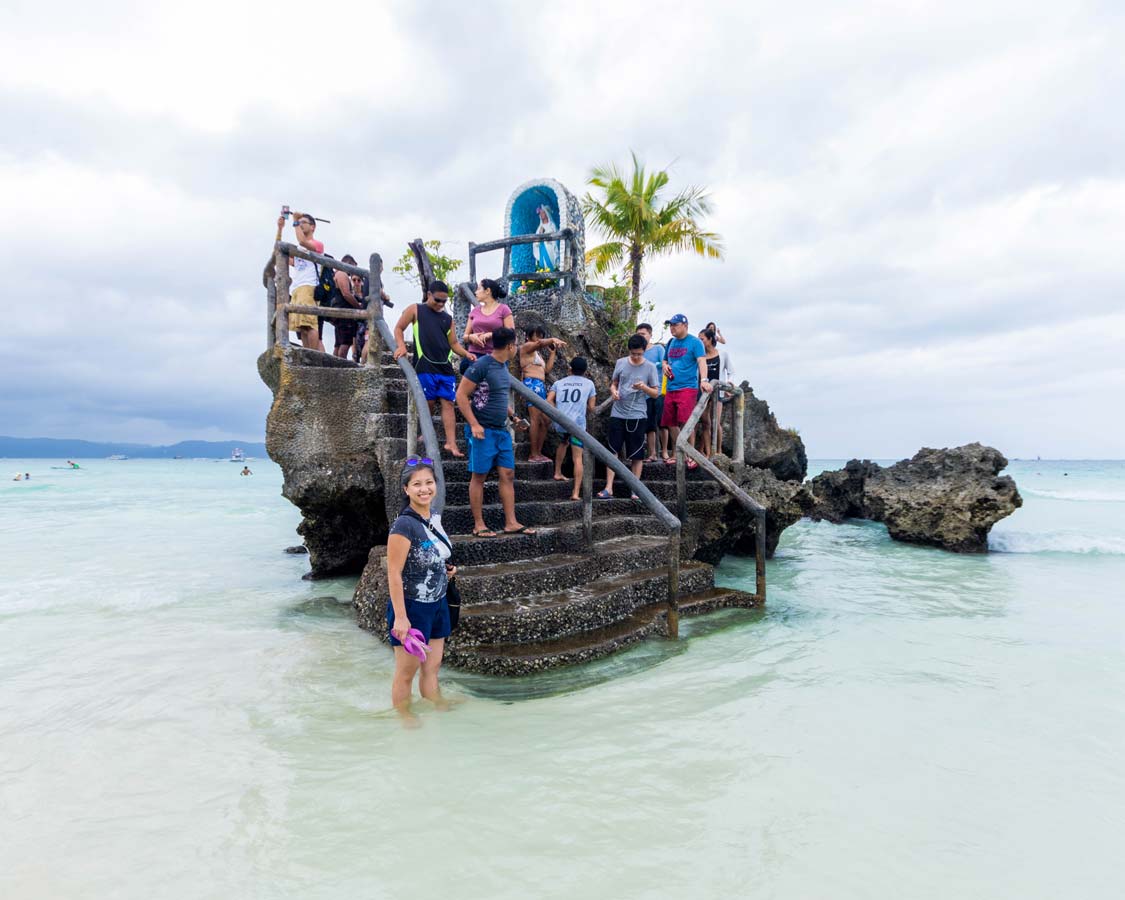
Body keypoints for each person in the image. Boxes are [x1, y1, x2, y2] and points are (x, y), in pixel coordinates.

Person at [386, 458, 456, 715]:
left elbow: (436, 552)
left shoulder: (433, 517)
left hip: (438, 604)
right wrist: (401, 618)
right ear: (406, 489)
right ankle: (403, 715)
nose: (424, 489)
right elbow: (393, 573)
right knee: (406, 672)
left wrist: (447, 569)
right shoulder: (404, 525)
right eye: (417, 484)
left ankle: (434, 701)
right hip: (412, 608)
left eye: (429, 482)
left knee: (433, 666)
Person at [456, 327, 536, 538]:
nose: (516, 348)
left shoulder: (503, 367)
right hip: (483, 431)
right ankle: (479, 525)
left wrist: (514, 417)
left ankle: (510, 522)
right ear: (510, 346)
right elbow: (461, 396)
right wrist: (474, 424)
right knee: (479, 476)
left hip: (502, 431)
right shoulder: (481, 365)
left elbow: (498, 396)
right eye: (516, 344)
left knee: (508, 474)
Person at [393, 281, 471, 458]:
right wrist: (401, 346)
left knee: (448, 403)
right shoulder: (416, 309)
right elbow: (398, 328)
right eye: (437, 300)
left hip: (445, 367)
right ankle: (426, 432)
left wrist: (466, 354)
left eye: (444, 301)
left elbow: (453, 343)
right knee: (427, 402)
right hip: (425, 365)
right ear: (429, 294)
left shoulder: (447, 319)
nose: (441, 304)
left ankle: (451, 443)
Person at [599, 335, 660, 499]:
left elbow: (656, 393)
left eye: (639, 354)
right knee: (612, 450)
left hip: (638, 414)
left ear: (644, 351)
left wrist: (644, 387)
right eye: (633, 354)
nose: (635, 357)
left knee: (637, 454)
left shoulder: (650, 367)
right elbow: (614, 383)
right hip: (618, 412)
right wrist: (613, 391)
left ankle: (635, 489)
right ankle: (608, 487)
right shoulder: (621, 363)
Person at [660, 313, 712, 469]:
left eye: (675, 325)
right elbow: (664, 359)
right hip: (671, 387)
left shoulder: (695, 342)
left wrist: (704, 380)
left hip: (687, 387)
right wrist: (664, 365)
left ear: (685, 326)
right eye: (670, 325)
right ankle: (678, 453)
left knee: (686, 421)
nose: (672, 328)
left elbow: (701, 361)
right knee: (670, 422)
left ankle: (691, 454)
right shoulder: (670, 342)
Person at [274, 211, 325, 352]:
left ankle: (313, 354)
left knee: (310, 324)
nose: (301, 225)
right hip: (297, 288)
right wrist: (280, 228)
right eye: (299, 222)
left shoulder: (317, 245)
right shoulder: (298, 250)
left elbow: (302, 241)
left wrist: (295, 221)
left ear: (313, 227)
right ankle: (306, 355)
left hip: (309, 286)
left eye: (304, 222)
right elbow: (278, 253)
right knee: (301, 327)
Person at [547, 357, 597, 501]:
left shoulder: (559, 382)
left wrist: (557, 413)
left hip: (561, 423)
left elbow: (549, 400)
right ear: (585, 371)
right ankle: (575, 493)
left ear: (570, 369)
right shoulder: (589, 384)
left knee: (563, 443)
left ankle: (557, 472)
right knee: (577, 458)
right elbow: (592, 408)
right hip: (577, 425)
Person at [519, 326, 566, 463]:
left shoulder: (537, 355)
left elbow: (546, 370)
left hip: (540, 386)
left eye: (541, 335)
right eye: (537, 335)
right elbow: (539, 344)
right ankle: (533, 454)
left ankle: (538, 452)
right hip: (531, 384)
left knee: (546, 420)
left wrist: (552, 353)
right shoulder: (526, 347)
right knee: (535, 419)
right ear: (529, 336)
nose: (539, 338)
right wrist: (552, 339)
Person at [698, 329, 734, 458]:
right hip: (703, 392)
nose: (700, 341)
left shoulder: (722, 354)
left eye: (702, 339)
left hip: (718, 391)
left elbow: (731, 371)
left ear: (710, 339)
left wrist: (729, 383)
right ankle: (708, 452)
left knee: (716, 422)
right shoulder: (700, 356)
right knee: (705, 422)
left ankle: (718, 451)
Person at [462, 278, 514, 361]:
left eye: (479, 289)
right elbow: (465, 336)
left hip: (496, 356)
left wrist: (491, 334)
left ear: (487, 291)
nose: (475, 292)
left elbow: (511, 333)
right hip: (474, 355)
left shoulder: (504, 309)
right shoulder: (475, 311)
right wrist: (471, 337)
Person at [636, 323, 666, 463]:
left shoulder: (658, 349)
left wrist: (653, 365)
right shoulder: (638, 352)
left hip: (659, 391)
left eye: (643, 334)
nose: (640, 337)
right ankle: (652, 453)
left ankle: (665, 451)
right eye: (638, 334)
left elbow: (665, 363)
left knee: (662, 423)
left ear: (650, 335)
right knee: (649, 425)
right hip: (644, 393)